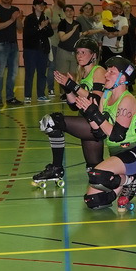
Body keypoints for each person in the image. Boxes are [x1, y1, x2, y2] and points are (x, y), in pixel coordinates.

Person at [32, 38, 109, 186]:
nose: (79, 56)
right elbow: (74, 106)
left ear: (93, 55)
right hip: (87, 121)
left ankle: (56, 168)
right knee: (95, 171)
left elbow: (95, 100)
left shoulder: (98, 71)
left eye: (83, 52)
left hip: (97, 123)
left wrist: (73, 85)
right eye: (77, 52)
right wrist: (67, 89)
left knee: (51, 122)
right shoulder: (83, 74)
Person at [76, 57, 136, 211]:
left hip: (133, 153)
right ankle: (129, 180)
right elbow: (99, 134)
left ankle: (133, 179)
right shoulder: (106, 96)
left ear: (122, 78)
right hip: (116, 154)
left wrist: (95, 114)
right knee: (93, 201)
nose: (106, 75)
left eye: (111, 72)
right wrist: (89, 113)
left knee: (96, 175)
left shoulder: (127, 100)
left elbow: (117, 135)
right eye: (107, 71)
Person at [0, 0, 22, 107]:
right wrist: (12, 19)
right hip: (1, 45)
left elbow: (20, 29)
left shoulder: (15, 10)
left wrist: (19, 19)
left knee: (13, 73)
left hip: (13, 44)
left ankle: (10, 97)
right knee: (0, 73)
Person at [23, 0, 54, 102]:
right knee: (30, 73)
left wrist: (45, 27)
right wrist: (40, 28)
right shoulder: (29, 19)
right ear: (34, 6)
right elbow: (28, 34)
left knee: (42, 73)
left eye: (43, 5)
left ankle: (41, 94)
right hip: (30, 50)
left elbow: (50, 33)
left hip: (42, 50)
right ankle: (27, 95)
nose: (41, 6)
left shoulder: (45, 18)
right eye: (39, 4)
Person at [55, 5, 81, 79]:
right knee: (63, 75)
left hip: (75, 52)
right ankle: (63, 87)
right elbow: (62, 38)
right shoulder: (62, 23)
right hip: (64, 51)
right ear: (64, 13)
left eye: (71, 10)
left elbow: (80, 36)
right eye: (67, 10)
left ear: (74, 12)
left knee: (74, 75)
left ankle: (72, 87)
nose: (69, 12)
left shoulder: (77, 24)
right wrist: (73, 30)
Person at [101, 1, 129, 65]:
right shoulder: (105, 17)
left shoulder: (123, 19)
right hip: (107, 46)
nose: (116, 9)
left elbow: (125, 30)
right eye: (114, 7)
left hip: (119, 47)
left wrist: (112, 35)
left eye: (118, 8)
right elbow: (101, 29)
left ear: (121, 10)